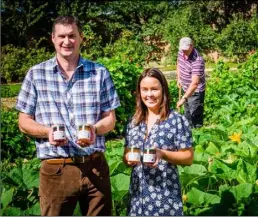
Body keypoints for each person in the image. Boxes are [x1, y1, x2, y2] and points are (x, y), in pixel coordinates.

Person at [15, 15, 120, 216]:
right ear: (52, 38)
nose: (67, 41)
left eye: (72, 36)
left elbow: (110, 118)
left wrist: (95, 129)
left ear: (81, 38)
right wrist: (47, 132)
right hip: (56, 169)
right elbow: (23, 121)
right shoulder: (36, 74)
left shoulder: (99, 72)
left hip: (95, 166)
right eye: (61, 36)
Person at [123, 68, 194, 216]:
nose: (149, 94)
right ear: (139, 92)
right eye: (145, 89)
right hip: (137, 200)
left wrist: (162, 154)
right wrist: (128, 159)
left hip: (165, 200)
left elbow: (188, 157)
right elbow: (126, 154)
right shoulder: (133, 122)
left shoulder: (176, 120)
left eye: (154, 89)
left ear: (163, 91)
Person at [176, 37, 206, 128]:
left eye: (186, 49)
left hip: (195, 91)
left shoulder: (197, 61)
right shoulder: (181, 52)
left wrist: (183, 99)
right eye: (182, 49)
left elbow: (194, 84)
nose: (184, 52)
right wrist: (178, 78)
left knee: (195, 116)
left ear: (191, 46)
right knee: (187, 114)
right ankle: (188, 133)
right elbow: (178, 63)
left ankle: (198, 137)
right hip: (186, 88)